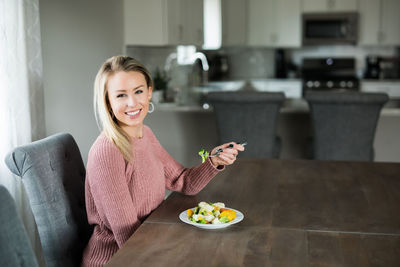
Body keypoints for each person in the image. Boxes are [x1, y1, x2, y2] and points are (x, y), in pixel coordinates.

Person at [81, 55, 245, 266]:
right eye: (121, 95)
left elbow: (183, 181)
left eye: (138, 91)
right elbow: (128, 236)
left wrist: (213, 161)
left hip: (150, 245)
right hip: (118, 258)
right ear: (107, 100)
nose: (132, 103)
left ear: (150, 92)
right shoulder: (107, 151)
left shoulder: (145, 134)